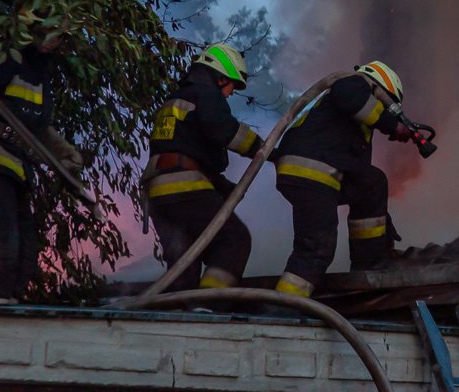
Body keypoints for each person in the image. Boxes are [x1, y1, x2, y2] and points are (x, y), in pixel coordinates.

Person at [0, 34, 83, 304]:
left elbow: (35, 126)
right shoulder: (5, 54)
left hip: (15, 167)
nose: (51, 41)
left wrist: (63, 150)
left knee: (24, 252)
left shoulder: (40, 72)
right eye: (47, 32)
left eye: (58, 38)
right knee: (2, 242)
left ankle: (5, 304)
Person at [271, 60, 412, 298]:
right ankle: (281, 308)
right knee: (316, 248)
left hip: (318, 169)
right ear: (382, 90)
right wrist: (392, 126)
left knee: (373, 181)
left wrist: (382, 223)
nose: (387, 113)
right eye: (389, 105)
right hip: (314, 170)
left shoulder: (351, 127)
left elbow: (361, 179)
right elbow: (351, 98)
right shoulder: (354, 83)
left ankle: (368, 263)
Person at [142, 43, 261, 291]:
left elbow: (185, 149)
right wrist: (264, 149)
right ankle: (209, 303)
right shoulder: (205, 93)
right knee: (233, 241)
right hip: (183, 185)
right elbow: (224, 130)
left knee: (184, 263)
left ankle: (176, 314)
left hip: (157, 191)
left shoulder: (178, 97)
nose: (230, 94)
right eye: (231, 86)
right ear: (220, 78)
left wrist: (221, 185)